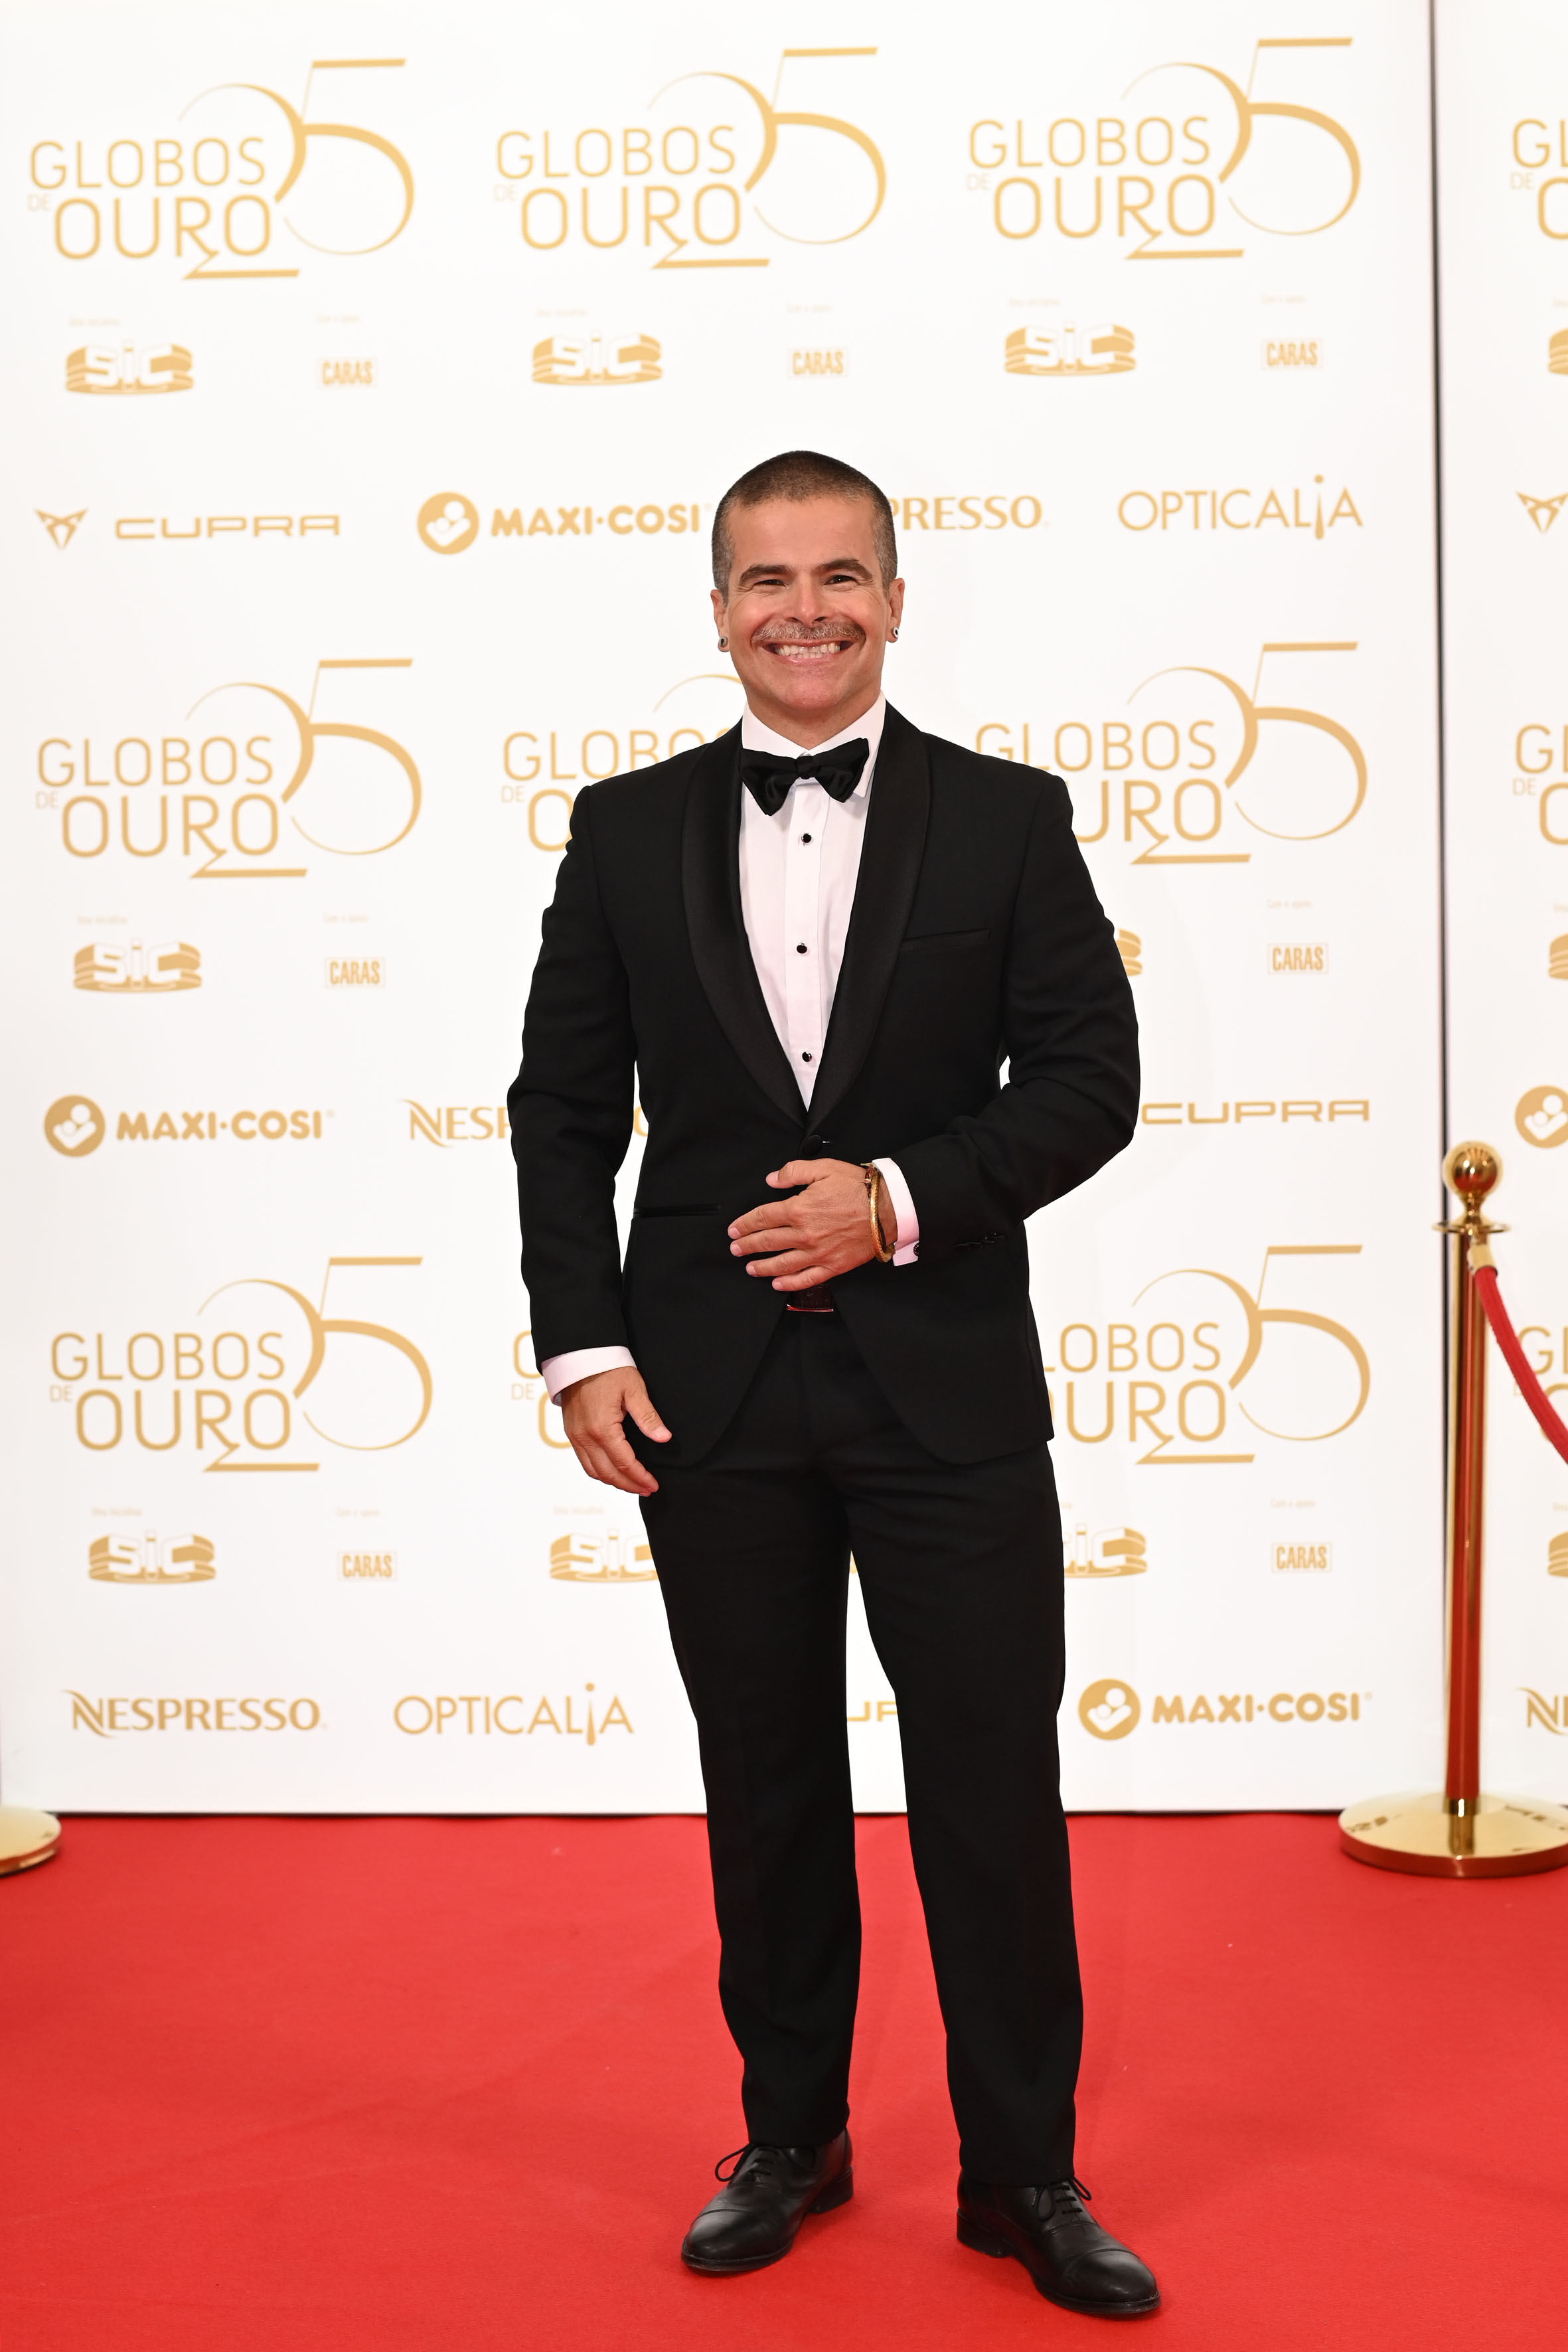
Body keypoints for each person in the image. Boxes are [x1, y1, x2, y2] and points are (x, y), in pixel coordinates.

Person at [509, 449, 1155, 2317]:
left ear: (894, 598)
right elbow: (562, 1112)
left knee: (989, 1788)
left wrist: (894, 1201)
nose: (806, 611)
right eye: (769, 581)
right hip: (705, 1400)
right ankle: (788, 2135)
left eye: (840, 576)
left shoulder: (1007, 819)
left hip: (945, 1394)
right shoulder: (623, 830)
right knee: (766, 1779)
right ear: (718, 610)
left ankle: (1022, 2174)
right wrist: (584, 1345)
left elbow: (1089, 1082)